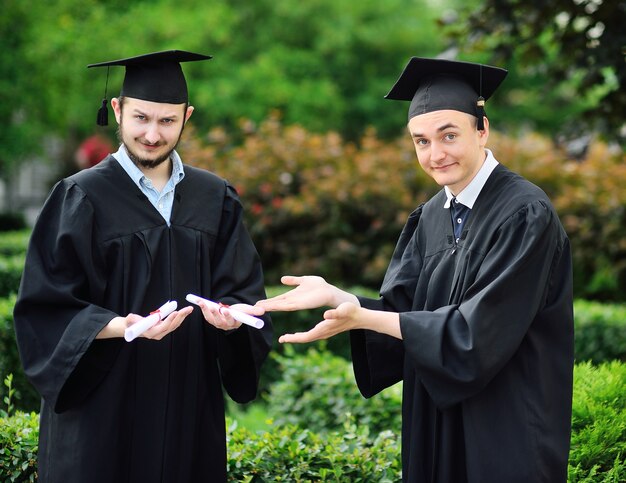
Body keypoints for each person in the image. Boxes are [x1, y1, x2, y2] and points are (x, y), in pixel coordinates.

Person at [256, 57, 574, 482]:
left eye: (449, 136)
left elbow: (477, 335)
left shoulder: (523, 213)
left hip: (504, 427)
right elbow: (402, 314)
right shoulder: (430, 217)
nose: (435, 154)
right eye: (421, 141)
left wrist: (364, 317)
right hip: (436, 425)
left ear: (483, 130)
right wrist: (342, 300)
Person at [13, 50, 272, 483]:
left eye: (167, 121)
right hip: (101, 416)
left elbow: (242, 291)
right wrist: (121, 326)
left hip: (189, 410)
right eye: (141, 118)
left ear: (186, 116)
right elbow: (45, 305)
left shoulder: (215, 198)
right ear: (118, 110)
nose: (152, 134)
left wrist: (232, 322)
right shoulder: (80, 196)